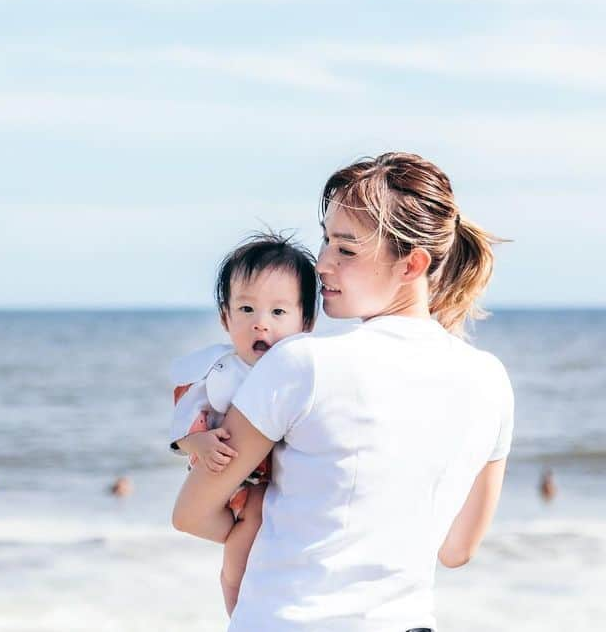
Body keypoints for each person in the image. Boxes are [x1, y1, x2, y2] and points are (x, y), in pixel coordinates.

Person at [172, 152, 515, 632]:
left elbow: (190, 514)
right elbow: (457, 550)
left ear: (412, 264)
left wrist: (250, 530)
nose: (323, 264)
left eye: (346, 250)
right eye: (327, 241)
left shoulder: (301, 364)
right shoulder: (490, 379)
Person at [168, 233, 318, 615]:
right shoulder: (220, 370)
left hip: (267, 489)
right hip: (231, 478)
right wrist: (196, 442)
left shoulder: (302, 374)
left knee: (252, 529)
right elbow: (185, 412)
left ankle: (242, 594)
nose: (260, 325)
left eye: (278, 313)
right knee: (238, 546)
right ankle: (236, 608)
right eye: (247, 310)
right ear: (225, 317)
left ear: (307, 321)